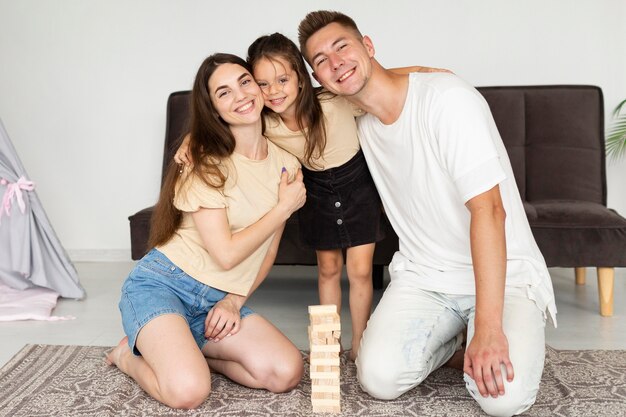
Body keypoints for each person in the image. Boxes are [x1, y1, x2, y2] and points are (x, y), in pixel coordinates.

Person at [297, 10, 557, 417]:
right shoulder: (352, 118)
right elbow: (275, 104)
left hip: (504, 276)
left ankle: (483, 331)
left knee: (503, 400)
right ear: (319, 79)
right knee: (377, 378)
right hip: (426, 276)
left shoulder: (446, 99)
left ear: (368, 45)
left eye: (342, 47)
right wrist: (195, 140)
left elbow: (489, 211)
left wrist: (489, 328)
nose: (335, 63)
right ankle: (456, 341)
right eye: (321, 61)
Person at [175, 33, 445, 360]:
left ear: (301, 79)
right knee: (328, 269)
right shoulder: (264, 122)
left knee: (360, 271)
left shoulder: (334, 100)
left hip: (358, 188)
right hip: (314, 192)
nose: (274, 91)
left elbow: (379, 80)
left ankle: (360, 342)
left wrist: (427, 72)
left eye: (283, 79)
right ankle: (327, 344)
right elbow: (218, 120)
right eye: (262, 84)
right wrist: (191, 139)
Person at [106, 53, 306, 409]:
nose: (241, 95)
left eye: (245, 82)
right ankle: (126, 355)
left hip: (217, 299)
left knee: (285, 372)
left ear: (259, 88)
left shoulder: (285, 165)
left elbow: (268, 249)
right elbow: (225, 253)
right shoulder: (204, 163)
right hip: (163, 284)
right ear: (213, 110)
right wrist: (283, 208)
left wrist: (234, 300)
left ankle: (186, 351)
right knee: (188, 393)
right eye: (224, 92)